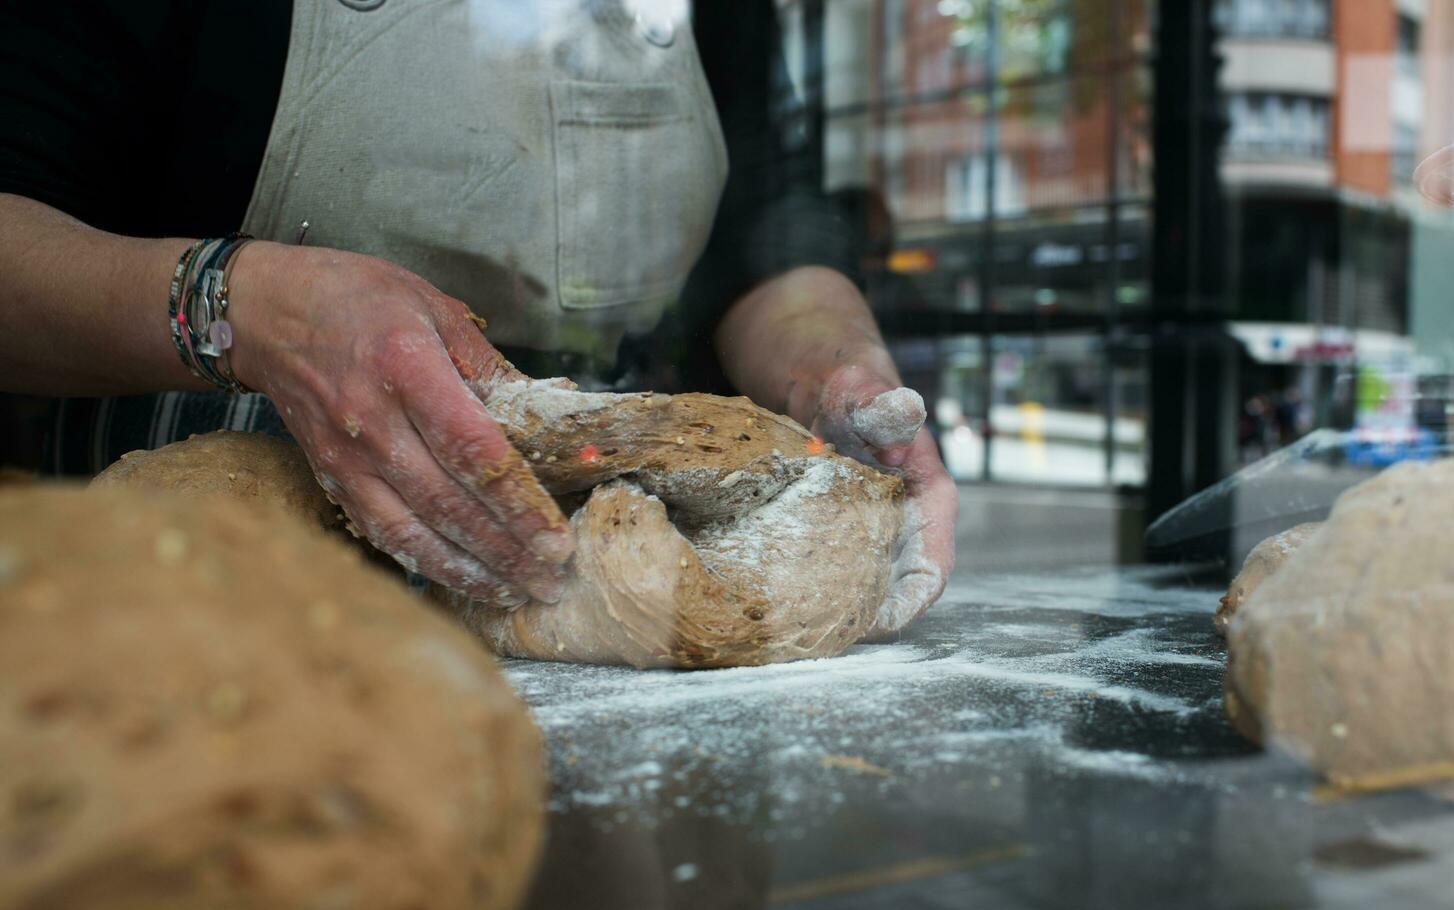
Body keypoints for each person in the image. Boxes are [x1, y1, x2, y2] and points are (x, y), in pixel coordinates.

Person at [0, 0, 955, 631]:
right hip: (212, 555)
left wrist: (839, 371)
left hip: (623, 524)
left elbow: (768, 241)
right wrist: (246, 307)